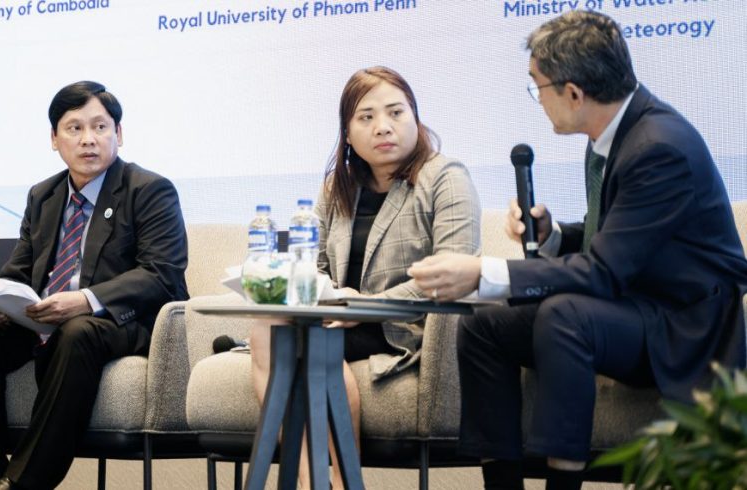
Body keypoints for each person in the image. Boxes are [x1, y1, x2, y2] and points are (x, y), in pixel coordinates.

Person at [407, 10, 747, 490]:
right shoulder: (613, 135)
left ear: (573, 93)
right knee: (483, 326)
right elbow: (615, 237)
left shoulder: (659, 146)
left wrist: (484, 271)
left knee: (564, 315)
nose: (538, 101)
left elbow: (604, 271)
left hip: (681, 325)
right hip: (631, 303)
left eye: (537, 87)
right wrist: (551, 235)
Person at [0, 81, 189, 490]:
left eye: (100, 127)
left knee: (77, 331)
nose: (88, 139)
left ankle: (22, 484)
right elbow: (20, 269)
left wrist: (86, 300)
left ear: (119, 134)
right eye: (75, 128)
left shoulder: (149, 190)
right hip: (47, 319)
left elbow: (161, 274)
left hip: (120, 322)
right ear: (54, 139)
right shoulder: (44, 195)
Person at [249, 66, 481, 488]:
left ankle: (340, 481)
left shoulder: (445, 178)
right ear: (348, 133)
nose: (383, 127)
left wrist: (365, 307)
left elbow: (451, 273)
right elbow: (314, 266)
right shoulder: (337, 188)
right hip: (338, 318)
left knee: (311, 347)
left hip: (406, 325)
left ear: (415, 118)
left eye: (396, 112)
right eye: (366, 117)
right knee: (267, 327)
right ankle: (311, 480)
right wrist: (326, 297)